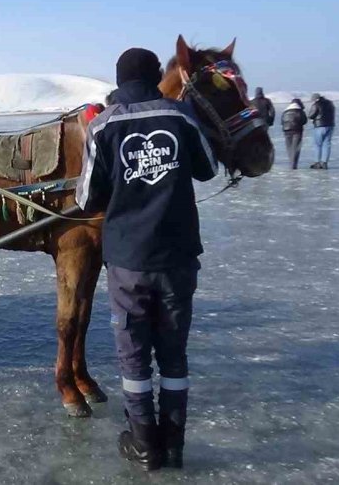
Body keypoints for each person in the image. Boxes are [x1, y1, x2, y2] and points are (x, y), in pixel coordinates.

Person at [76, 48, 218, 471]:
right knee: (173, 354)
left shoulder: (102, 126)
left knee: (134, 354)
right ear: (157, 75)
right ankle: (173, 444)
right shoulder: (181, 116)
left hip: (128, 261)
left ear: (119, 82)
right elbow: (208, 168)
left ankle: (142, 444)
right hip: (177, 257)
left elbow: (85, 198)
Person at [307, 93, 336, 169]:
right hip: (330, 125)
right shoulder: (330, 103)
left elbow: (311, 115)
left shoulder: (316, 104)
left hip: (319, 126)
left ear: (315, 99)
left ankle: (317, 162)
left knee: (318, 144)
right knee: (327, 144)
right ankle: (324, 162)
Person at [281, 98, 308, 169]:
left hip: (287, 131)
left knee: (289, 148)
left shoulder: (285, 111)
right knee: (296, 148)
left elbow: (282, 121)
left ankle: (291, 162)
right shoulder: (300, 111)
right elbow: (304, 121)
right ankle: (294, 164)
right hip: (297, 131)